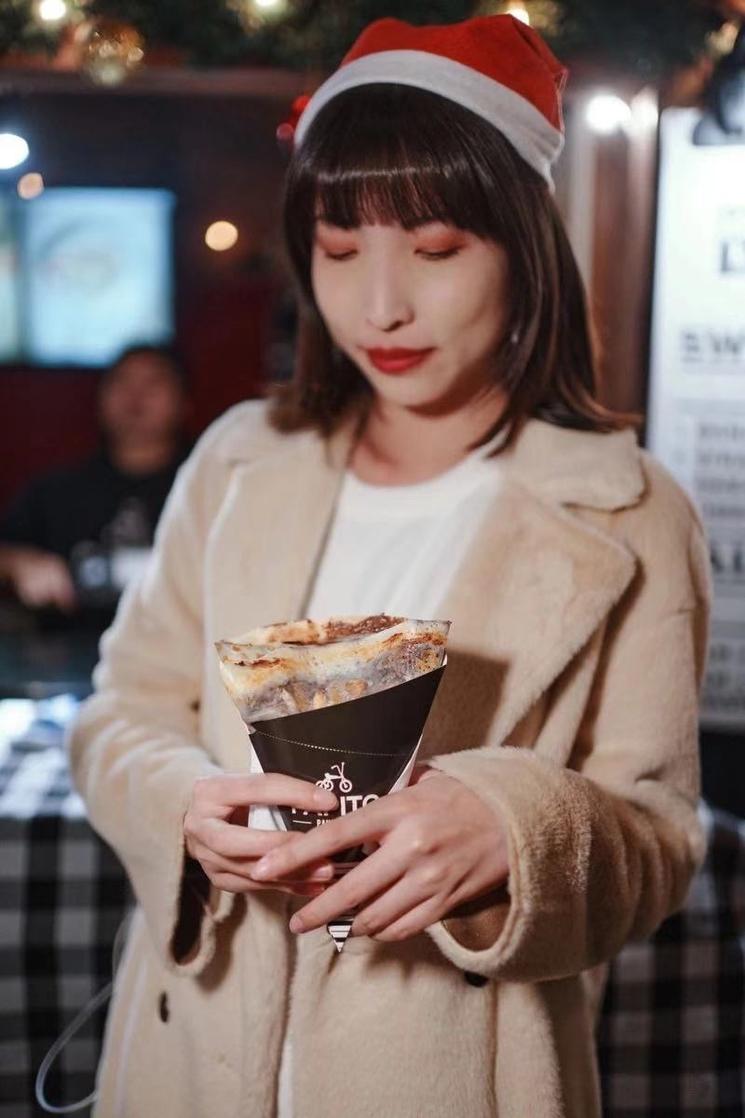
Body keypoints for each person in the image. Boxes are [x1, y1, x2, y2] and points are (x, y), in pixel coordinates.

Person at [68, 15, 712, 1118]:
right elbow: (118, 712)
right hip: (190, 1056)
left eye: (435, 248)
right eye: (337, 248)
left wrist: (512, 827)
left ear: (523, 246)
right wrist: (184, 804)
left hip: (457, 1069)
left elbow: (658, 837)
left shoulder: (626, 509)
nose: (380, 307)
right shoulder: (240, 460)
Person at [0, 344, 190, 615]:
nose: (135, 397)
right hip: (75, 637)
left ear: (184, 402)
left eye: (154, 383)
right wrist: (21, 564)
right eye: (122, 382)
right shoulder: (57, 491)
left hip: (187, 639)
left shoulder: (210, 488)